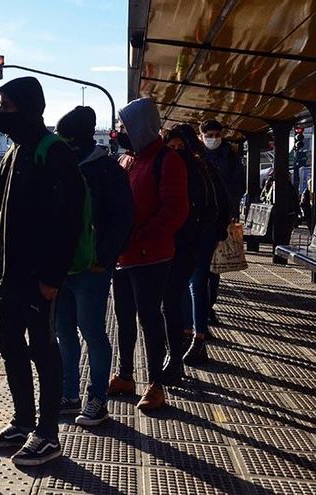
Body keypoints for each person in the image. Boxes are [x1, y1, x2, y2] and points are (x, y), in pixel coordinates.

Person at [0, 77, 84, 466]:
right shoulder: (13, 152)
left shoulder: (52, 151)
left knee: (43, 348)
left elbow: (69, 219)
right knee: (9, 344)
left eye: (7, 107)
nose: (0, 114)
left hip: (39, 277)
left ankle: (47, 433)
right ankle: (23, 422)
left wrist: (53, 277)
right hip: (7, 275)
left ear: (29, 108)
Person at [107, 98, 188, 412]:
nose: (120, 131)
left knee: (150, 318)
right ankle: (126, 374)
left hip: (151, 256)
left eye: (124, 125)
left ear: (141, 126)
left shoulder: (167, 160)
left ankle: (156, 384)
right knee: (124, 316)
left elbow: (175, 210)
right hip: (123, 255)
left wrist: (141, 238)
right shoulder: (127, 159)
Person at [54, 106, 133, 426]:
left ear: (77, 139)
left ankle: (97, 398)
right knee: (64, 332)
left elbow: (122, 218)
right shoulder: (62, 167)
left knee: (92, 332)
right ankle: (69, 394)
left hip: (91, 268)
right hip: (61, 267)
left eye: (65, 138)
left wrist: (104, 258)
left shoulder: (107, 170)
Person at [163, 124, 229, 370]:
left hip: (195, 237)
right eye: (172, 146)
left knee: (192, 285)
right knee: (191, 286)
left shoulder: (190, 168)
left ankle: (194, 336)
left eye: (180, 146)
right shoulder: (204, 167)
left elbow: (221, 201)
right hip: (195, 236)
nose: (177, 150)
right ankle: (192, 336)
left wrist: (217, 230)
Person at [199, 120, 244, 326]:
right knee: (201, 268)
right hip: (201, 217)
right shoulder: (197, 154)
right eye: (209, 135)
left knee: (214, 266)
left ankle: (208, 306)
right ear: (202, 136)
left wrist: (231, 210)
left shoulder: (230, 156)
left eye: (217, 135)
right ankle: (202, 309)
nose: (213, 139)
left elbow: (238, 185)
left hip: (221, 218)